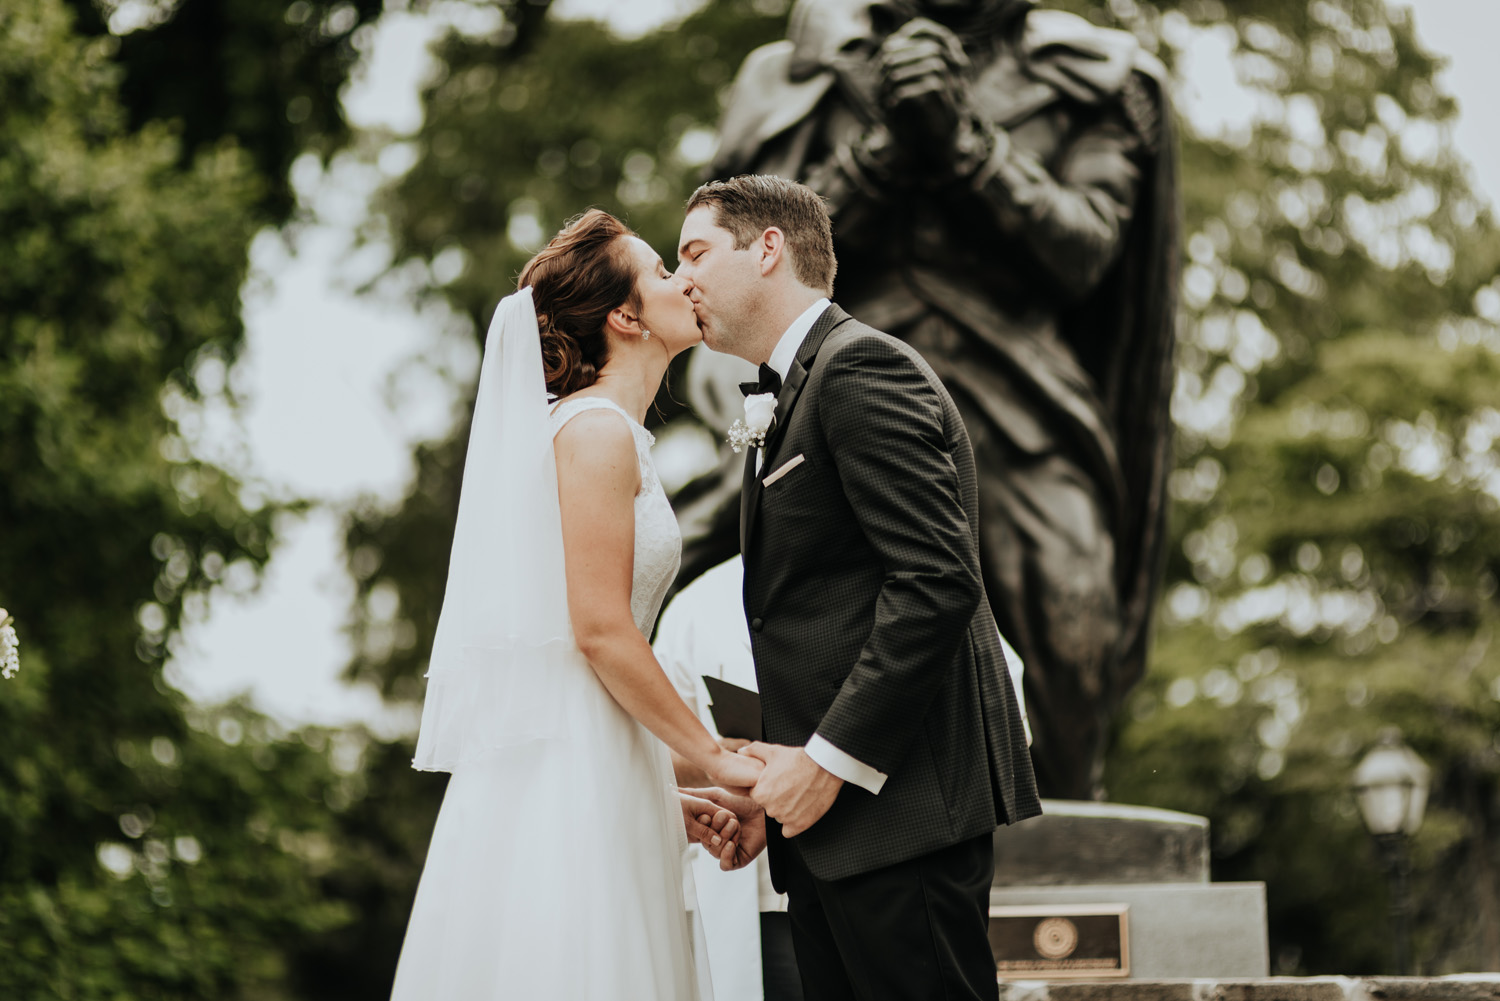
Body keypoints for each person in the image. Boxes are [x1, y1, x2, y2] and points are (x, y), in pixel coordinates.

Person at [681, 0, 1180, 800]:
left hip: (1021, 397)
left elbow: (1086, 252)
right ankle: (726, 793)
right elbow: (749, 259)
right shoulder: (791, 74)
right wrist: (883, 150)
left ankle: (1056, 836)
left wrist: (963, 142)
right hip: (832, 391)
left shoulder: (1097, 78)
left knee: (1072, 612)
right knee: (678, 568)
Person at [675, 175, 1041, 1001]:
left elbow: (938, 582)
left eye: (696, 252)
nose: (681, 278)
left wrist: (827, 763)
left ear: (769, 247)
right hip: (835, 830)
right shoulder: (794, 388)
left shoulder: (860, 367)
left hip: (900, 812)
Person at [390, 209, 764, 1000]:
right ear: (625, 316)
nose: (684, 279)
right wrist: (714, 754)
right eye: (663, 270)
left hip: (590, 768)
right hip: (566, 786)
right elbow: (599, 632)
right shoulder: (597, 433)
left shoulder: (607, 433)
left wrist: (662, 789)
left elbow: (562, 654)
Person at [656, 556, 802, 1001]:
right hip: (746, 889)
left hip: (868, 876)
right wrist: (724, 759)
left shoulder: (898, 579)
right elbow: (649, 750)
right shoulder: (698, 605)